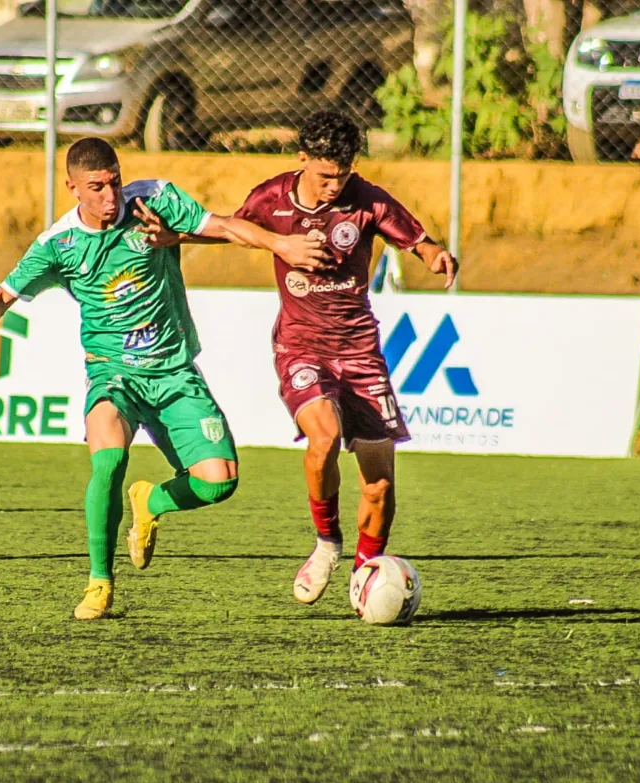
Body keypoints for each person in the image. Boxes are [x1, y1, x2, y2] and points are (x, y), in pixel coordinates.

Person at [0, 137, 327, 620]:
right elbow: (2, 298)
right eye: (97, 187)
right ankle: (100, 582)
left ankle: (150, 501)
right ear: (72, 188)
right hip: (113, 375)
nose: (111, 196)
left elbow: (226, 226)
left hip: (173, 372)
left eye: (116, 182)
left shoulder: (154, 200)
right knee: (107, 461)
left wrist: (281, 243)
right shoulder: (58, 245)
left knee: (218, 484)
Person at [153, 111, 456, 606]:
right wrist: (175, 235)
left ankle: (366, 574)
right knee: (325, 436)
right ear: (302, 160)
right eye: (324, 174)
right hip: (301, 346)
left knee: (378, 485)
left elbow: (417, 239)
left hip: (360, 352)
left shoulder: (369, 199)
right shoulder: (274, 197)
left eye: (343, 174)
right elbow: (233, 228)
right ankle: (326, 544)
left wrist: (435, 254)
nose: (334, 185)